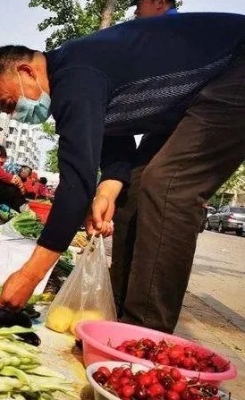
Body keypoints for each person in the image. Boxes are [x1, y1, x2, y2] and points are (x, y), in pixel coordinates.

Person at [0, 13, 245, 333]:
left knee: (167, 185)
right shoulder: (81, 73)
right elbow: (116, 144)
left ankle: (144, 333)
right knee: (134, 186)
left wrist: (30, 275)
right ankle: (118, 310)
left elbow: (76, 183)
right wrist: (107, 192)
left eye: (11, 103)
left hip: (234, 68)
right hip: (191, 98)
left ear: (26, 70)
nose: (17, 114)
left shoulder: (74, 76)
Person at [110, 0, 180, 321]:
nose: (135, 11)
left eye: (138, 4)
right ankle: (115, 302)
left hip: (190, 121)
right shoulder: (152, 35)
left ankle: (146, 322)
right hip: (162, 127)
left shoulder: (176, 33)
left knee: (160, 189)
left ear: (157, 2)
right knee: (129, 197)